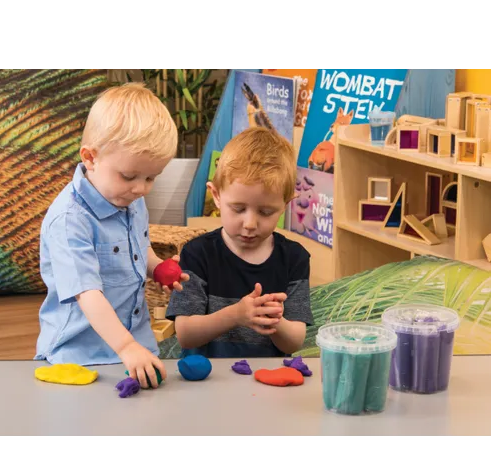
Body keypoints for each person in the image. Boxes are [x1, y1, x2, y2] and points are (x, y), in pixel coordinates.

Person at [35, 83, 188, 389]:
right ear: (90, 158)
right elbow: (87, 294)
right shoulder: (70, 221)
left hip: (134, 342)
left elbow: (138, 247)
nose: (141, 188)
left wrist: (156, 267)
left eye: (151, 177)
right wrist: (125, 346)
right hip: (79, 354)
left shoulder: (130, 199)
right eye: (129, 176)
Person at [165, 126, 314, 358]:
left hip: (266, 377)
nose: (250, 224)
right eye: (238, 209)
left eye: (266, 212)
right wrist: (236, 315)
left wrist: (272, 318)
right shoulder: (197, 253)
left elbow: (294, 343)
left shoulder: (294, 258)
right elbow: (185, 334)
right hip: (207, 376)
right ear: (216, 196)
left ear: (285, 205)